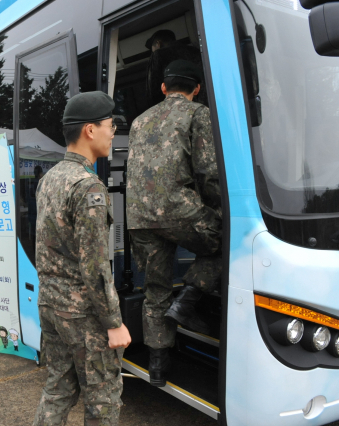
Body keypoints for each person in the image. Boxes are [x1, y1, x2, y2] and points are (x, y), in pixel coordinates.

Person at [33, 91, 131, 426]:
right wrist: (114, 323)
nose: (113, 131)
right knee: (102, 398)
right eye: (110, 125)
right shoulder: (88, 186)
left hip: (50, 303)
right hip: (82, 314)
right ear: (90, 130)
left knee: (58, 389)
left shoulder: (49, 178)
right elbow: (95, 267)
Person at [126, 60, 222, 387]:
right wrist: (219, 210)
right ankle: (187, 302)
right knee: (227, 239)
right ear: (197, 89)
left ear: (163, 88)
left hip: (139, 217)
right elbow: (208, 171)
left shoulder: (139, 120)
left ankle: (157, 368)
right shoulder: (199, 113)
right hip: (178, 211)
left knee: (155, 289)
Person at [145, 29, 205, 109]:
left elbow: (154, 89)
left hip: (175, 109)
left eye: (153, 48)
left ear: (158, 44)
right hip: (202, 104)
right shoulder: (195, 51)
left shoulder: (158, 55)